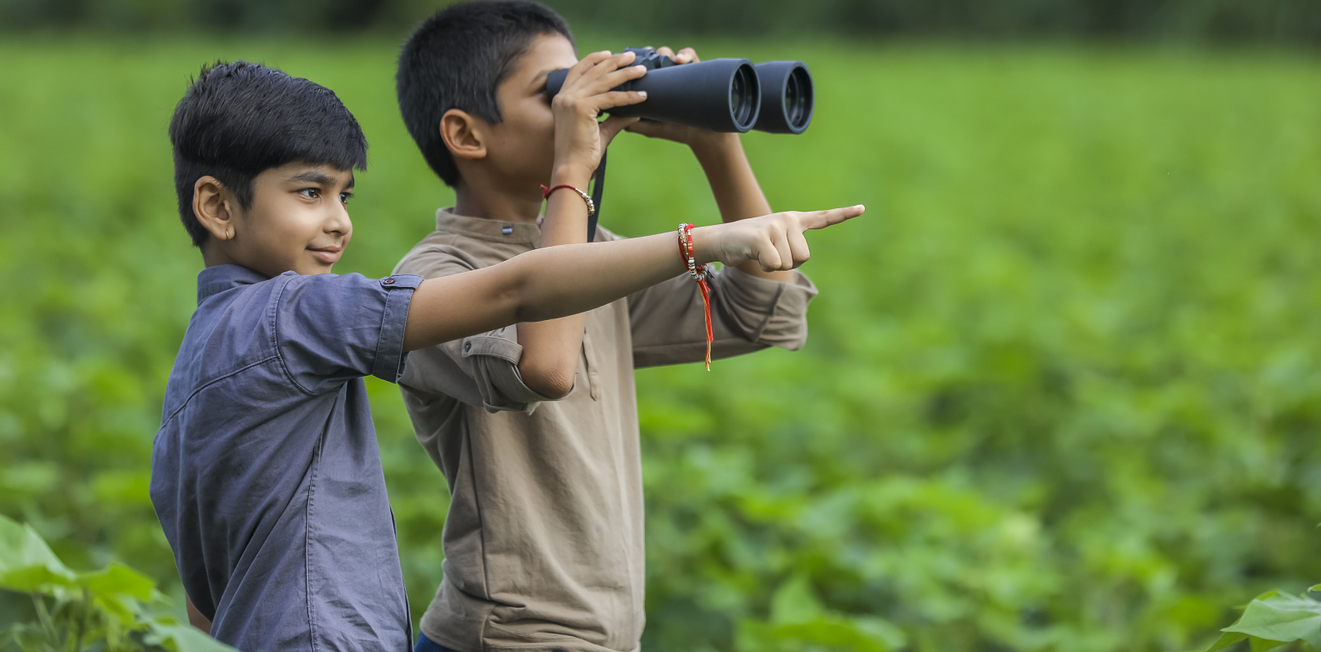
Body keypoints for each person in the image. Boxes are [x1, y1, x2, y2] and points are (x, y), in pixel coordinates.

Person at [149, 60, 861, 652]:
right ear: (217, 206)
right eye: (311, 193)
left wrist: (715, 137)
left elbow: (758, 311)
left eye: (343, 194)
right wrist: (682, 231)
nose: (339, 222)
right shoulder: (306, 308)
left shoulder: (201, 361)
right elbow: (533, 316)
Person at [392, 0, 835, 652]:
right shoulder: (431, 280)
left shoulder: (591, 256)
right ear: (466, 134)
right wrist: (572, 173)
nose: (586, 108)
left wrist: (717, 144)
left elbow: (757, 312)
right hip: (502, 638)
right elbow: (543, 366)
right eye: (557, 94)